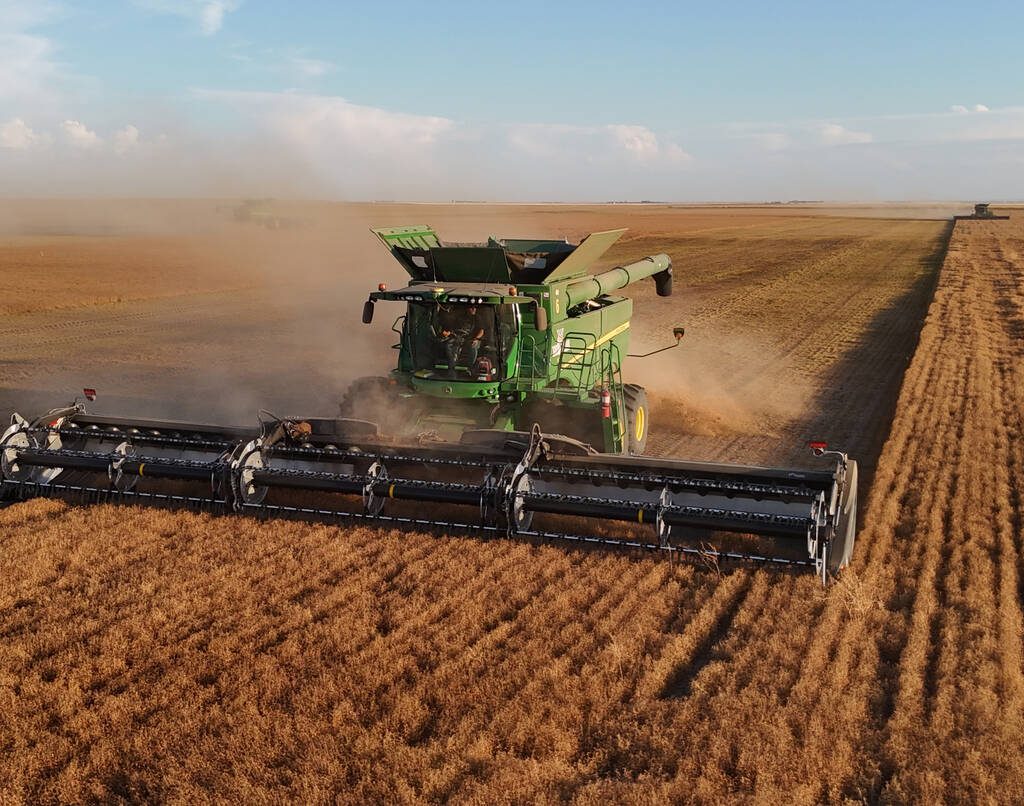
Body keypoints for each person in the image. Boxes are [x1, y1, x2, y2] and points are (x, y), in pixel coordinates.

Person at [436, 304, 487, 376]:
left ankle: (469, 368)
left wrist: (476, 339)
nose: (473, 309)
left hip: (470, 339)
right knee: (448, 345)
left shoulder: (477, 318)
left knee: (473, 346)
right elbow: (452, 328)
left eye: (475, 308)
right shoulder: (459, 317)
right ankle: (451, 368)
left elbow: (481, 331)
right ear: (467, 309)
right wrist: (447, 333)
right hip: (457, 337)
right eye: (471, 308)